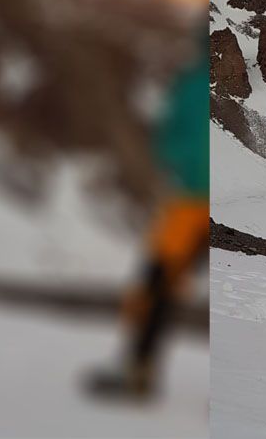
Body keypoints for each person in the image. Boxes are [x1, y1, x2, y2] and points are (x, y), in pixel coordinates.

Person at [85, 30, 211, 401]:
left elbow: (168, 140)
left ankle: (139, 370)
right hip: (193, 203)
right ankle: (143, 372)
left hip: (189, 203)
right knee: (173, 287)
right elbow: (169, 140)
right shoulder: (192, 82)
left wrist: (186, 167)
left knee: (160, 287)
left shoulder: (191, 83)